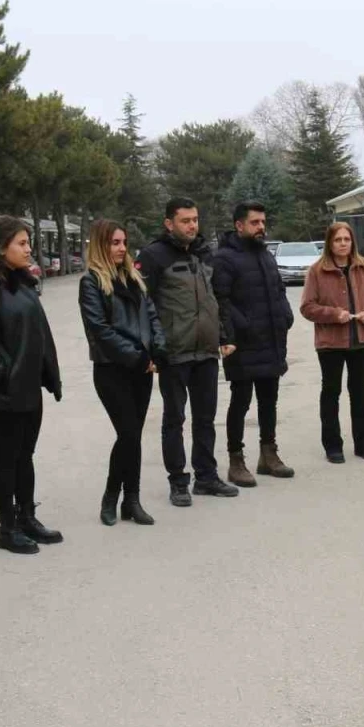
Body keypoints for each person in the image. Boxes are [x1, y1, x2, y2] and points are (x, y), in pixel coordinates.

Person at [0, 216, 63, 554]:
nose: (28, 248)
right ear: (0, 247)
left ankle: (27, 517)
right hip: (2, 391)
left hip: (28, 386)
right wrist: (3, 374)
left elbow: (37, 332)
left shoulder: (22, 282)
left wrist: (46, 372)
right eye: (21, 243)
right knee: (6, 456)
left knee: (25, 455)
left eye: (28, 242)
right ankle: (7, 528)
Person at [136, 197, 240, 507]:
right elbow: (144, 305)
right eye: (185, 220)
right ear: (169, 223)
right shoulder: (154, 256)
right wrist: (152, 349)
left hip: (206, 351)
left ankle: (206, 477)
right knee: (174, 419)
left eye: (195, 219)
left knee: (206, 419)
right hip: (173, 353)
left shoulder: (205, 253)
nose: (192, 225)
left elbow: (217, 297)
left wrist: (224, 335)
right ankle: (178, 481)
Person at [79, 219, 168, 526]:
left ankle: (132, 501)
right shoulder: (91, 282)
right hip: (112, 370)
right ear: (102, 245)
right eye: (114, 243)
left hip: (141, 369)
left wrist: (157, 349)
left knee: (133, 437)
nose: (120, 248)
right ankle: (110, 497)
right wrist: (137, 357)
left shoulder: (133, 277)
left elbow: (152, 316)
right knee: (128, 433)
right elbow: (100, 330)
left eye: (123, 242)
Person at [211, 201, 295, 485]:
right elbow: (220, 299)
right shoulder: (224, 258)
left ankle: (268, 455)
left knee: (269, 400)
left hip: (271, 340)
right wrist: (239, 328)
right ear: (239, 225)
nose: (261, 227)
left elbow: (279, 290)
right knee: (241, 402)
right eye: (255, 222)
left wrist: (286, 315)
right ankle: (236, 461)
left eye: (263, 222)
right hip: (243, 344)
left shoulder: (265, 255)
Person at [299, 221, 364, 463]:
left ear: (352, 242)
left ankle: (363, 442)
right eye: (338, 240)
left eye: (346, 240)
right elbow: (307, 307)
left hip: (360, 340)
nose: (343, 244)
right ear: (329, 243)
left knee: (359, 391)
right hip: (330, 343)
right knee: (331, 392)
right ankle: (332, 445)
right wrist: (334, 314)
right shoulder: (317, 271)